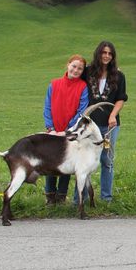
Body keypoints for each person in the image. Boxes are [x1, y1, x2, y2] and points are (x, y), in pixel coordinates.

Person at [79, 40, 128, 202]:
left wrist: (113, 114)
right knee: (84, 160)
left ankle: (106, 197)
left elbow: (121, 98)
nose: (106, 56)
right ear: (98, 53)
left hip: (109, 125)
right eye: (103, 52)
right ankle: (80, 198)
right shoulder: (87, 72)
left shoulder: (118, 76)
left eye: (109, 53)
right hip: (88, 125)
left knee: (107, 160)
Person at [43, 54, 89, 205]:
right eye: (74, 66)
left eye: (80, 68)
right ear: (68, 65)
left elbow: (81, 111)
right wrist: (51, 129)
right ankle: (50, 196)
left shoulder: (83, 87)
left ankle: (61, 196)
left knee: (67, 163)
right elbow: (47, 107)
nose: (76, 70)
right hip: (53, 132)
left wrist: (68, 130)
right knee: (50, 163)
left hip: (70, 133)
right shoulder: (54, 84)